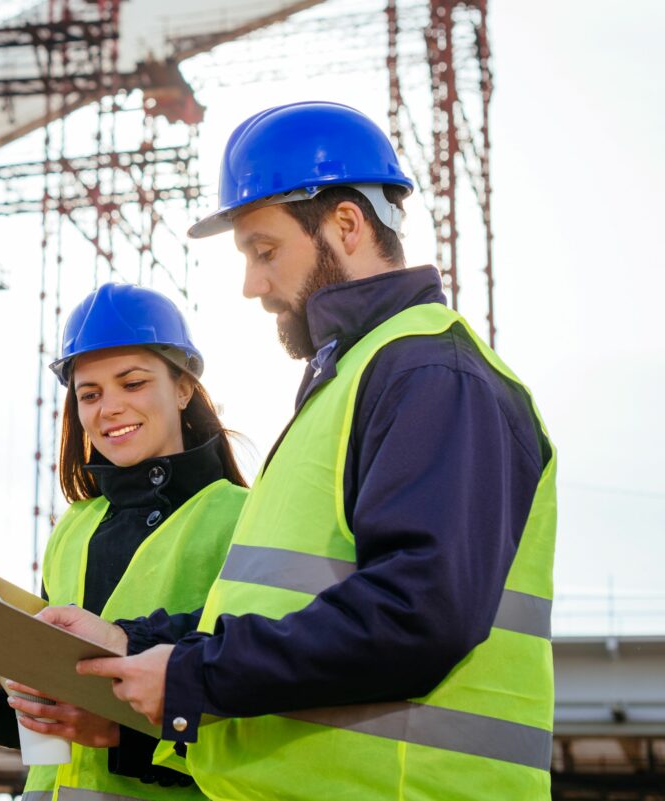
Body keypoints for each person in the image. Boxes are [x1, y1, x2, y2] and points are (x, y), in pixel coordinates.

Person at [39, 101, 557, 801]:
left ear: (346, 222)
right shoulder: (355, 383)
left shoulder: (434, 374)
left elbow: (417, 613)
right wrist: (127, 646)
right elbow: (281, 611)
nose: (253, 285)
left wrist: (193, 677)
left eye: (264, 251)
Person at [0, 282, 249, 801]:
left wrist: (122, 738)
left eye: (132, 383)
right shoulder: (73, 527)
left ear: (183, 388)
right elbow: (55, 722)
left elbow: (256, 693)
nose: (108, 408)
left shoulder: (241, 517)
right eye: (89, 394)